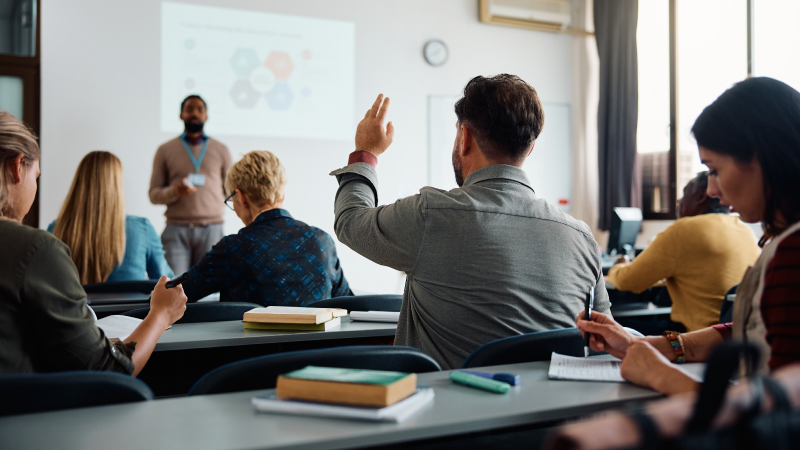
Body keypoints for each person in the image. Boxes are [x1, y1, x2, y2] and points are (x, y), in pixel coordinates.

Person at [330, 75, 611, 369]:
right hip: (550, 412)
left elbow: (350, 220)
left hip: (446, 412)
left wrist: (366, 153)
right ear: (530, 148)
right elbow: (605, 338)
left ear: (465, 137)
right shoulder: (582, 238)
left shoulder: (432, 215)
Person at [577, 77, 800, 395]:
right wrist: (646, 345)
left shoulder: (793, 251)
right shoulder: (775, 238)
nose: (711, 189)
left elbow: (780, 414)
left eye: (715, 169)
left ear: (760, 157)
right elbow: (750, 332)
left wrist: (660, 375)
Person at [0, 110, 186, 376]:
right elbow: (107, 369)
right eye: (37, 176)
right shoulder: (36, 249)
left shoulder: (55, 230)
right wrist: (161, 314)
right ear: (18, 167)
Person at [181, 150, 352, 305]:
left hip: (252, 341)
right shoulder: (322, 241)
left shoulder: (233, 248)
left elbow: (175, 295)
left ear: (241, 197)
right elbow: (348, 303)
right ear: (282, 193)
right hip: (317, 341)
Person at [607, 171, 761, 334]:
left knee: (610, 321)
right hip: (735, 334)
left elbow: (628, 282)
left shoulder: (684, 229)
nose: (679, 201)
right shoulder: (744, 229)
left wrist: (618, 266)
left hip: (695, 335)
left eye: (684, 193)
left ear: (702, 196)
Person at [48, 151, 173, 285]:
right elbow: (168, 283)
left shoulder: (56, 230)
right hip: (130, 307)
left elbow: (46, 283)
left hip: (77, 307)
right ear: (116, 185)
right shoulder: (142, 229)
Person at [149, 95, 233, 275]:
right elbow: (153, 194)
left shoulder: (221, 149)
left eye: (200, 109)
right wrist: (174, 192)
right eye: (189, 109)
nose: (194, 113)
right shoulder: (165, 150)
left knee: (210, 292)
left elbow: (232, 191)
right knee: (174, 287)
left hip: (212, 229)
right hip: (176, 230)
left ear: (206, 116)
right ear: (181, 114)